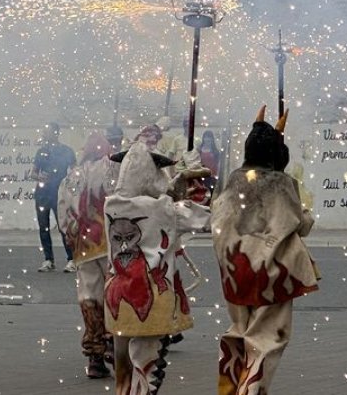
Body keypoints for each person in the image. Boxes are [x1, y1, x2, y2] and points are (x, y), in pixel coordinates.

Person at [212, 107, 319, 395]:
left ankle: (231, 387)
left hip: (235, 271)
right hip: (271, 273)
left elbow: (219, 218)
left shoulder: (234, 180)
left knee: (240, 331)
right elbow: (297, 223)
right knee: (266, 339)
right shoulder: (280, 183)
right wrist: (306, 214)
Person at [103, 139, 210, 394]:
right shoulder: (164, 209)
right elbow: (203, 215)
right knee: (147, 366)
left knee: (123, 367)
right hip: (150, 298)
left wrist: (176, 185)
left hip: (116, 297)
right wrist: (194, 177)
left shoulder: (111, 204)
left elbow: (154, 201)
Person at [57, 127, 121, 379]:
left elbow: (63, 214)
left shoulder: (70, 177)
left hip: (83, 246)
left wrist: (71, 239)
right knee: (112, 293)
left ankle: (94, 356)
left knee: (89, 297)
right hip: (111, 244)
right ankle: (112, 344)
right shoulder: (113, 170)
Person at [31, 122, 76, 272]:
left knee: (63, 227)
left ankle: (71, 259)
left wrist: (70, 182)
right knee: (43, 227)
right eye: (44, 131)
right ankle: (48, 260)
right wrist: (39, 177)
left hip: (59, 194)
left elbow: (75, 171)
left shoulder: (67, 151)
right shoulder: (41, 151)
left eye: (47, 131)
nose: (44, 134)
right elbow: (33, 173)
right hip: (42, 194)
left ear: (56, 133)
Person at [198, 130, 221, 195]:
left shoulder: (215, 151)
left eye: (209, 137)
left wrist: (217, 177)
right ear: (203, 139)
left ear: (212, 139)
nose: (207, 139)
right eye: (206, 137)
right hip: (200, 176)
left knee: (210, 195)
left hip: (212, 177)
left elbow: (218, 165)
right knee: (201, 194)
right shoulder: (199, 150)